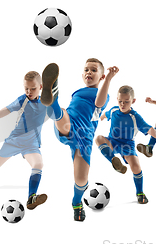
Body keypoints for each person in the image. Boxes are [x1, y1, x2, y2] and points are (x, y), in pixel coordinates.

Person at [41, 58, 118, 221]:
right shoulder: (78, 92)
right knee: (61, 113)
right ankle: (52, 96)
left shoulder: (103, 94)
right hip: (68, 123)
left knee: (81, 179)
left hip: (84, 137)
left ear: (101, 77)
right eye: (86, 70)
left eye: (94, 70)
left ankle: (76, 203)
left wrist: (109, 79)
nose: (89, 72)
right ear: (82, 74)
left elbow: (99, 102)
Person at [0, 71, 48, 210]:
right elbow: (6, 110)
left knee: (38, 164)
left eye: (33, 89)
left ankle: (32, 197)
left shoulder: (46, 102)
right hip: (14, 141)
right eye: (26, 88)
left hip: (31, 144)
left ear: (41, 87)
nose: (29, 92)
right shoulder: (22, 100)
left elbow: (58, 114)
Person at [96, 85, 156, 204]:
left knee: (136, 166)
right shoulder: (114, 110)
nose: (122, 104)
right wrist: (101, 117)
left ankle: (140, 193)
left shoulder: (135, 117)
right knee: (98, 138)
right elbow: (105, 114)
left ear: (133, 101)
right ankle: (114, 161)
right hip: (112, 141)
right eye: (120, 101)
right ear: (117, 100)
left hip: (127, 145)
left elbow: (149, 129)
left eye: (126, 102)